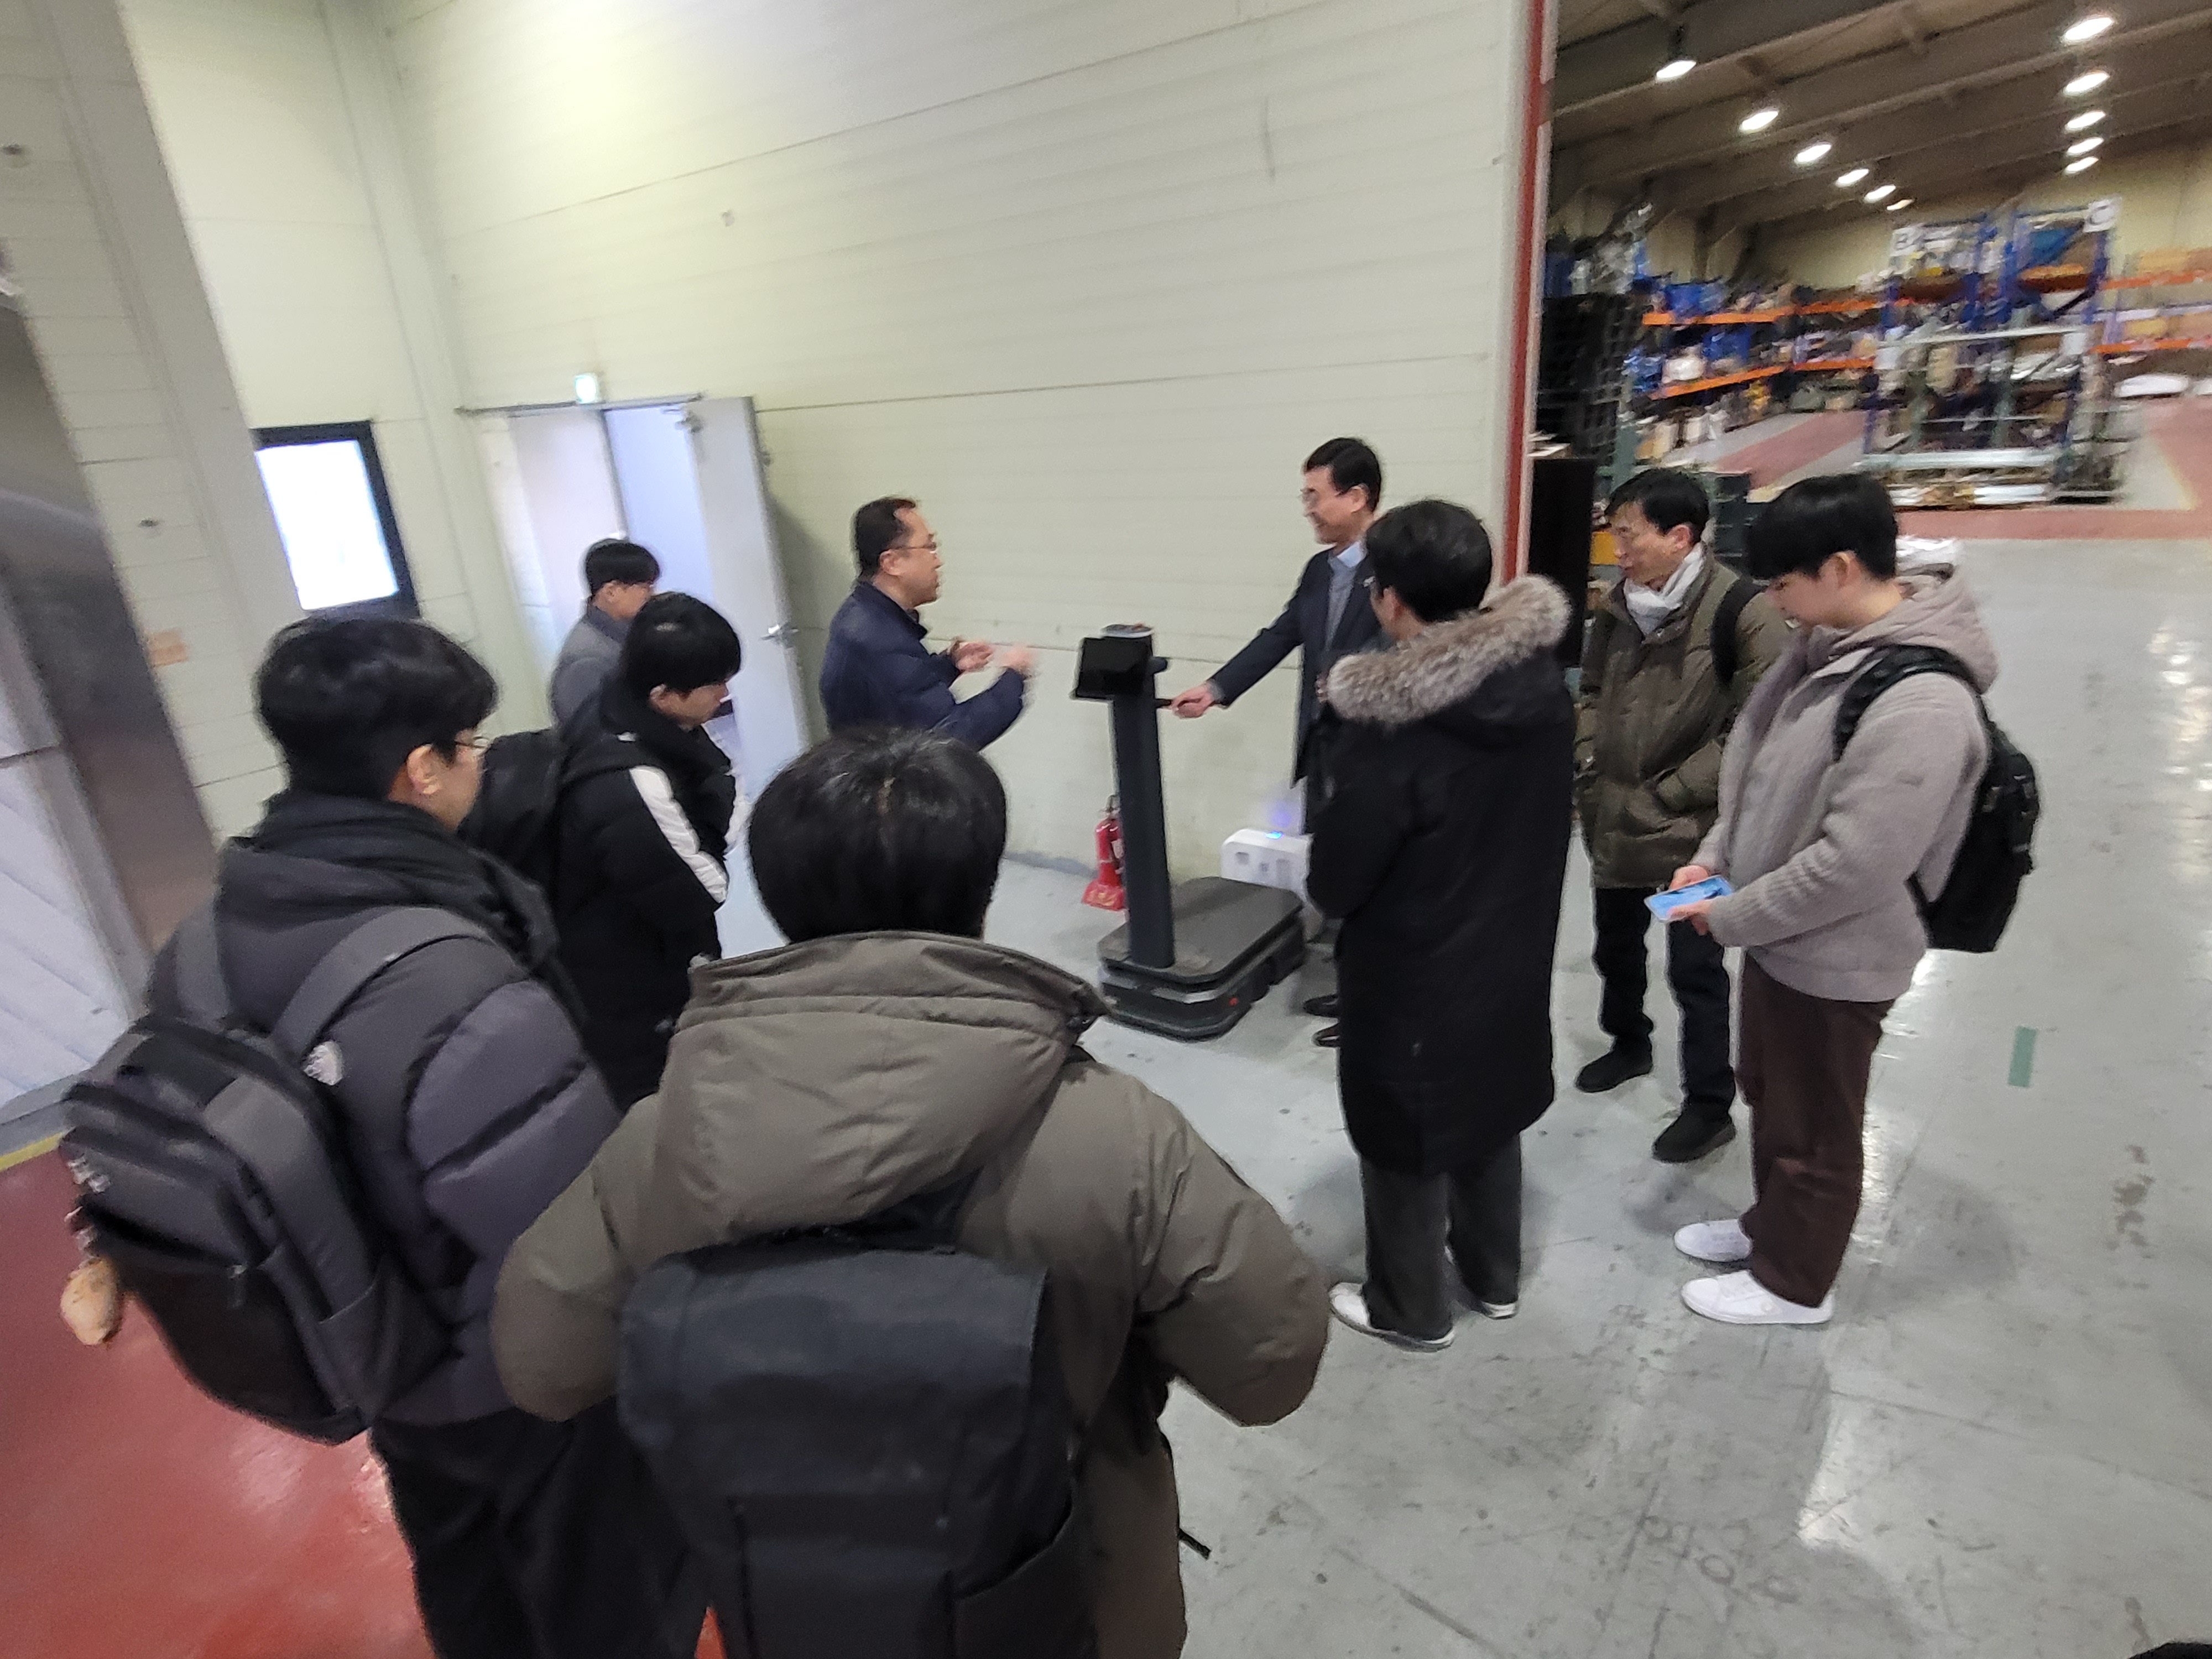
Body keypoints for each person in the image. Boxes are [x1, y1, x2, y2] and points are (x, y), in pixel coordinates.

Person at [492, 727, 1330, 1659]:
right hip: (1067, 1593)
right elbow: (1272, 1364)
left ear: (778, 897)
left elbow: (540, 1364)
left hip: (800, 1598)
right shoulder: (1120, 1136)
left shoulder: (658, 1142)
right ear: (982, 892)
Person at [145, 617, 692, 1659]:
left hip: (364, 1341)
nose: (480, 762)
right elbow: (567, 1230)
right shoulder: (451, 971)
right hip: (511, 1371)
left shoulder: (197, 944)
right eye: (469, 742)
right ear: (421, 770)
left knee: (460, 1560)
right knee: (599, 1582)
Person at [1664, 473, 1994, 1327]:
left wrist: (1728, 917)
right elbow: (1759, 782)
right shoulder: (1825, 648)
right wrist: (1713, 861)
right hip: (1782, 936)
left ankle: (1794, 1282)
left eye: (1783, 583)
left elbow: (1856, 866)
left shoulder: (1922, 699)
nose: (1774, 602)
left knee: (1816, 1122)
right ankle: (1771, 1227)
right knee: (1773, 1093)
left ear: (1841, 568)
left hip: (1840, 953)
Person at [1305, 500, 1574, 1350]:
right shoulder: (1543, 689)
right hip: (1513, 948)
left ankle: (1410, 1308)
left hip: (1414, 970)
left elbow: (1338, 881)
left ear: (1389, 601)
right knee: (1489, 1106)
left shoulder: (1392, 729)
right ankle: (1495, 1278)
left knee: (1404, 1133)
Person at [1574, 468, 1790, 1164]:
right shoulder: (1616, 608)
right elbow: (1591, 690)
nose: (1617, 550)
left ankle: (1708, 1105)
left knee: (1696, 973)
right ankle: (1628, 1043)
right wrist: (1587, 757)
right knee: (1615, 949)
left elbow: (1760, 726)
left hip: (1694, 834)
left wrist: (1672, 793)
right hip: (1614, 815)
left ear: (1680, 536)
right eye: (1614, 534)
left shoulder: (1742, 612)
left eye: (1628, 535)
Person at [1170, 437, 1387, 1043]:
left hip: (1374, 747)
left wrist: (1350, 677)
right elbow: (1280, 635)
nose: (1308, 509)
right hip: (1322, 745)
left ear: (1357, 497)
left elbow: (1405, 644)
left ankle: (1375, 1003)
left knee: (1378, 875)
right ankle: (1354, 986)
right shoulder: (1319, 571)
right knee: (1341, 866)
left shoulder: (1396, 564)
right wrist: (1216, 688)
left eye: (1316, 496)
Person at [554, 592, 742, 1106]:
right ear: (664, 695)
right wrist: (719, 807)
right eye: (714, 685)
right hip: (631, 983)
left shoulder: (618, 709)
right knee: (664, 1104)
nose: (725, 694)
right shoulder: (632, 780)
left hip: (617, 954)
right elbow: (704, 888)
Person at [818, 497, 1034, 747]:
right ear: (892, 563)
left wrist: (950, 665)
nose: (938, 561)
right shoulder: (878, 639)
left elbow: (901, 697)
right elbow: (950, 737)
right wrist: (1013, 678)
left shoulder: (863, 615)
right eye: (929, 547)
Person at [550, 538, 659, 723]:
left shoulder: (628, 635)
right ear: (611, 592)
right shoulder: (586, 660)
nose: (652, 595)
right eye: (646, 587)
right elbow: (589, 733)